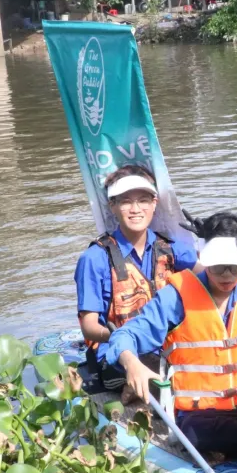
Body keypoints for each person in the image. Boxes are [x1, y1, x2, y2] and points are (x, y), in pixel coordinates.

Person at [109, 211, 237, 461]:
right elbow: (125, 335)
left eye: (236, 267)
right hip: (202, 417)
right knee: (195, 433)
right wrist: (132, 363)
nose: (227, 275)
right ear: (202, 258)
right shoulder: (175, 298)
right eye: (218, 267)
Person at [74, 164, 199, 392]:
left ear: (154, 204)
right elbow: (89, 327)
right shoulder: (94, 258)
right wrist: (125, 339)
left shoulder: (171, 249)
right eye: (125, 201)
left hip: (166, 347)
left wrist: (218, 239)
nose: (135, 209)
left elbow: (219, 278)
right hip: (116, 353)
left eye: (143, 200)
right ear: (112, 206)